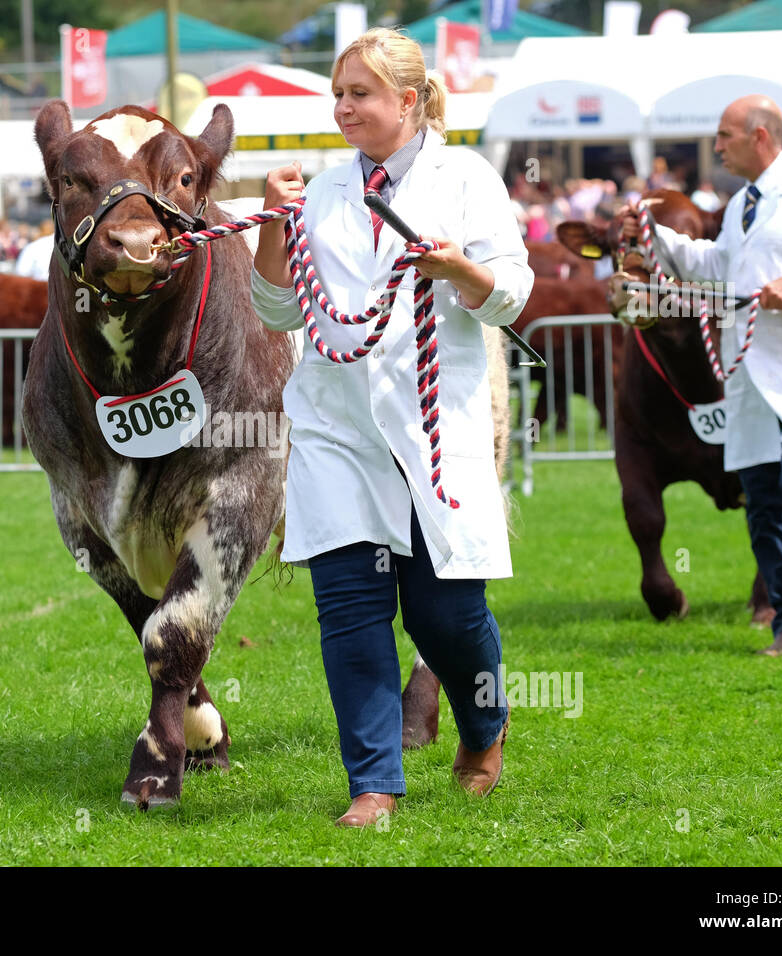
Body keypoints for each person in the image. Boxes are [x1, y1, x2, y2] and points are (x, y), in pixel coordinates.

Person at [251, 28, 533, 828]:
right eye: (338, 93)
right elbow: (278, 308)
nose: (343, 108)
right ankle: (373, 785)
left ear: (408, 102)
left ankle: (485, 722)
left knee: (443, 614)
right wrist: (276, 224)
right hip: (337, 429)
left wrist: (461, 270)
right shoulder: (320, 193)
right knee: (349, 610)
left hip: (434, 425)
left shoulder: (466, 178)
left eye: (360, 94)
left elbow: (511, 294)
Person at [618, 95, 782, 655]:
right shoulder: (744, 202)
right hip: (748, 374)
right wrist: (655, 240)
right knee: (762, 498)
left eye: (724, 136)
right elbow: (719, 266)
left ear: (759, 135)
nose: (716, 147)